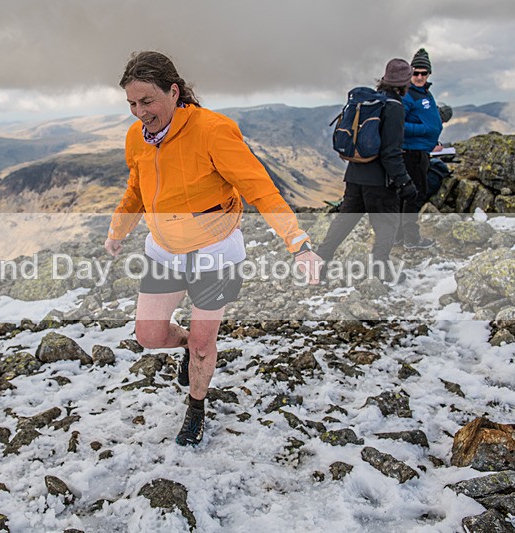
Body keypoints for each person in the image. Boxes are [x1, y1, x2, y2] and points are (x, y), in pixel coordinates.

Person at [104, 51, 321, 447]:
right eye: (132, 104)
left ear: (173, 91)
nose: (139, 112)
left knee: (207, 344)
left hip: (215, 253)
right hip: (165, 251)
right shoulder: (136, 137)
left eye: (147, 101)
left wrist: (299, 243)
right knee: (149, 334)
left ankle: (196, 407)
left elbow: (260, 188)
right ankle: (190, 343)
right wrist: (119, 230)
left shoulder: (213, 130)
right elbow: (136, 189)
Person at [316, 59, 418, 283]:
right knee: (386, 224)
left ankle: (319, 262)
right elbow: (391, 152)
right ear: (405, 82)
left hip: (354, 175)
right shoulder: (394, 107)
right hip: (379, 181)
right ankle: (381, 272)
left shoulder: (371, 101)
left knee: (344, 220)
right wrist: (404, 182)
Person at [396, 48, 443, 249]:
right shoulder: (407, 94)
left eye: (424, 73)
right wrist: (426, 130)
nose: (420, 77)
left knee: (407, 195)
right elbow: (398, 125)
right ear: (409, 72)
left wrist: (432, 141)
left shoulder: (424, 92)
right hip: (410, 154)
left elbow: (427, 119)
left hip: (421, 151)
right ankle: (411, 239)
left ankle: (398, 236)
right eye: (416, 73)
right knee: (415, 195)